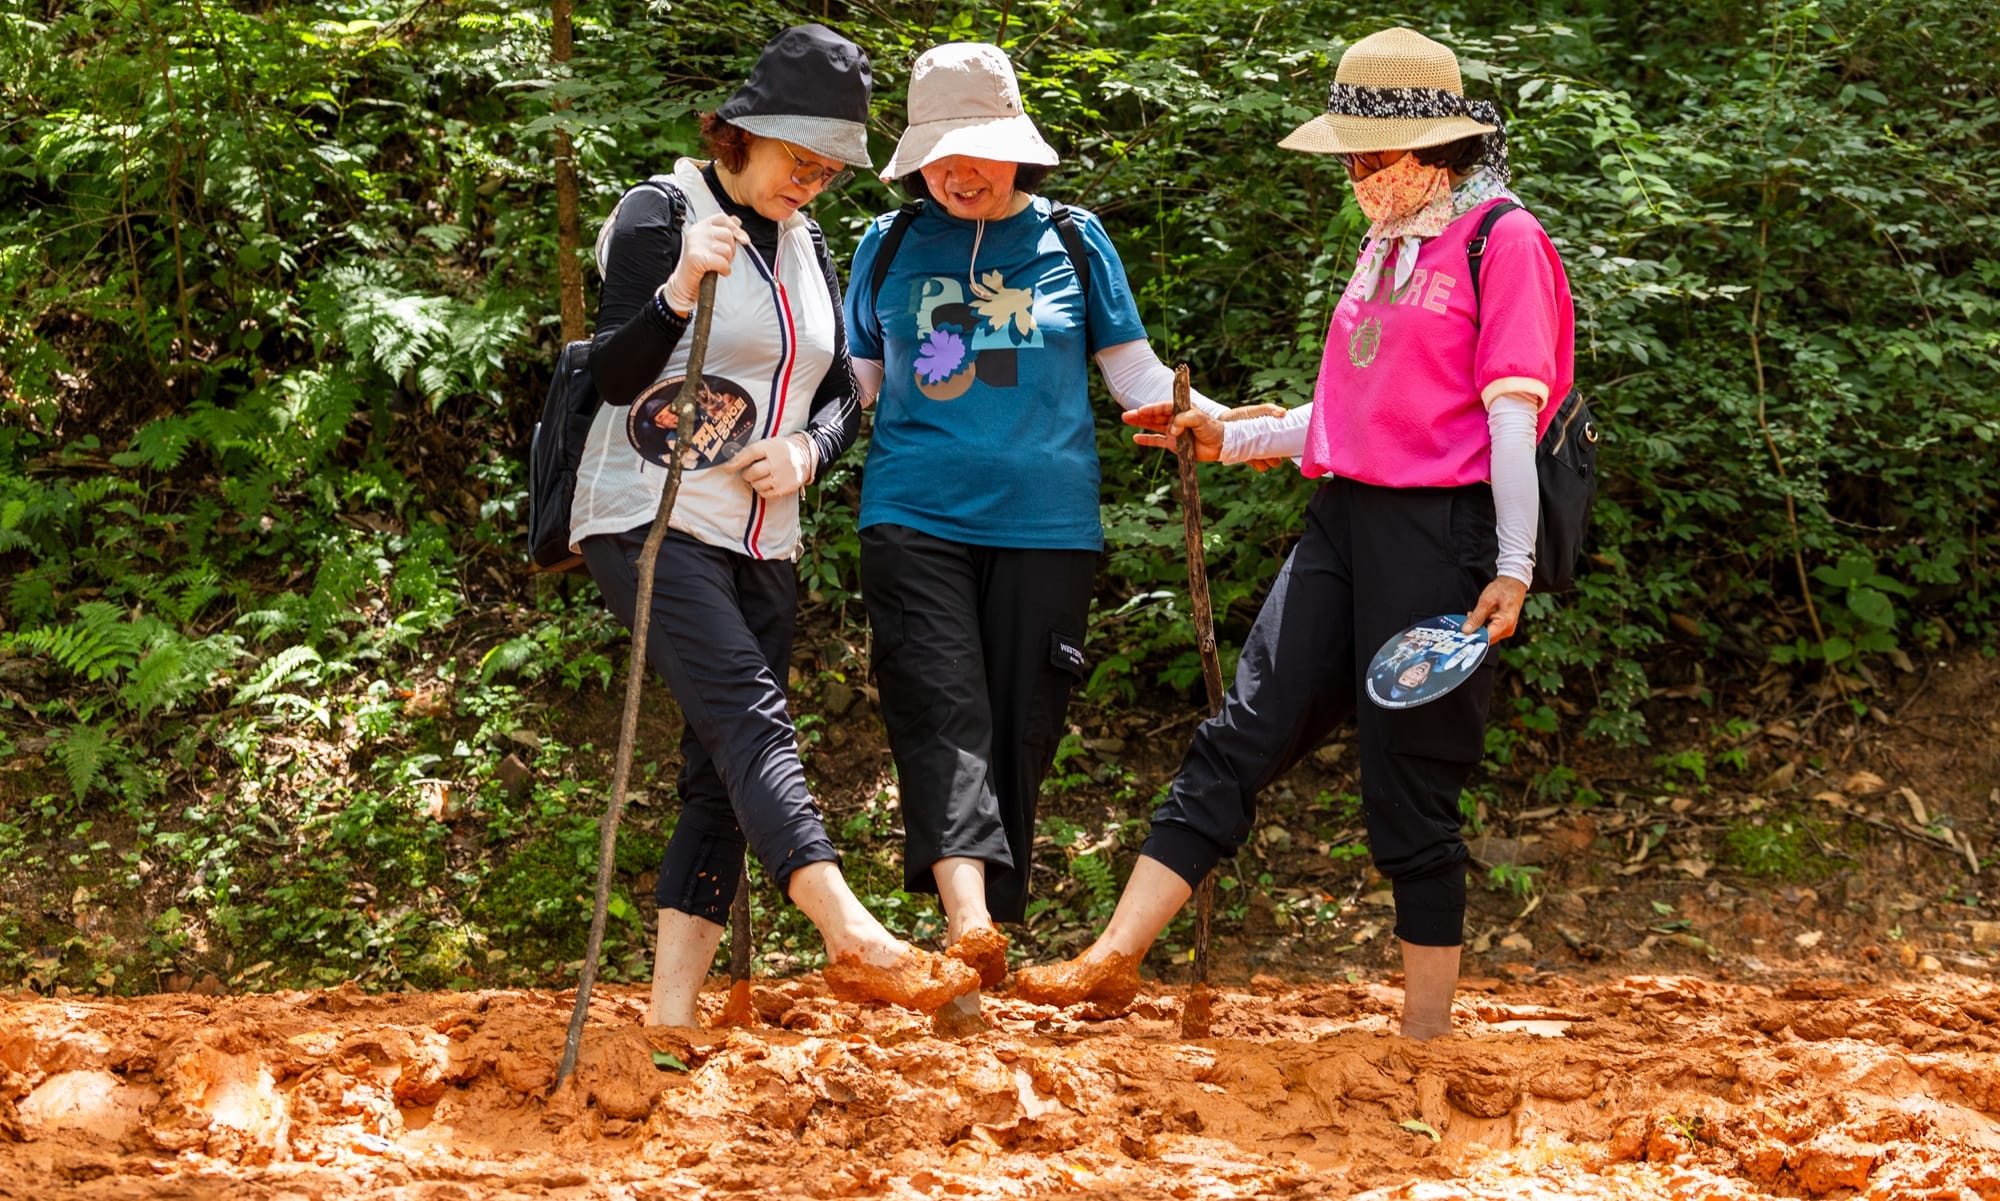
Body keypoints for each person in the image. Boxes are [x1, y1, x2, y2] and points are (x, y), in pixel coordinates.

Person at [1015, 27, 1575, 1040]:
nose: (1358, 175)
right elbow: (1344, 420)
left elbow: (1510, 413)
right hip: (1343, 518)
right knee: (1243, 726)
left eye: (1374, 156)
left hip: (1444, 530)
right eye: (1350, 157)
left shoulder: (1504, 241)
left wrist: (1510, 563)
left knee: (1407, 774)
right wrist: (1223, 437)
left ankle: (1424, 1032)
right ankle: (1113, 956)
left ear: (1437, 147)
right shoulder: (1383, 241)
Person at [568, 24, 978, 1024]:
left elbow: (842, 389)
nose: (813, 183)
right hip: (650, 519)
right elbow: (610, 376)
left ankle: (666, 1024)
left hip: (764, 538)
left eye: (830, 170)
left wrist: (809, 453)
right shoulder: (658, 212)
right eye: (800, 161)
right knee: (750, 716)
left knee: (716, 772)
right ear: (739, 136)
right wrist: (673, 295)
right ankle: (850, 934)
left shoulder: (806, 242)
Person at [845, 43, 1243, 1021]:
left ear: (1015, 148)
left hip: (1047, 522)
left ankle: (990, 935)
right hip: (913, 511)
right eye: (938, 156)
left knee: (1021, 720)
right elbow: (849, 390)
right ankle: (965, 921)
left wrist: (1226, 423)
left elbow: (1136, 378)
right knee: (940, 704)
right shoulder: (886, 246)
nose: (956, 172)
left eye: (974, 150)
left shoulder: (1071, 239)